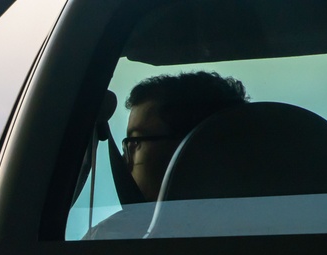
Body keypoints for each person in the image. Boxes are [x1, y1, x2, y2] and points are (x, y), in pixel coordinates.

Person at [84, 71, 248, 239]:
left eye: (135, 142)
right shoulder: (263, 227)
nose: (125, 160)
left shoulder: (113, 241)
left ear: (191, 151)